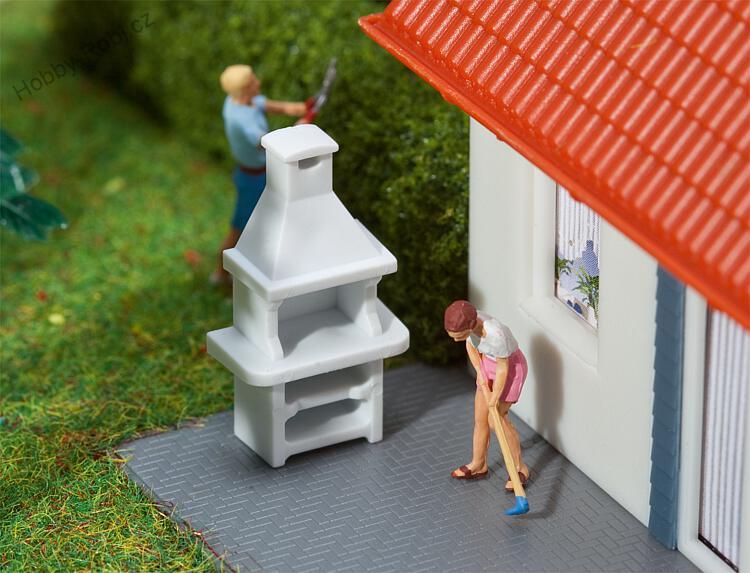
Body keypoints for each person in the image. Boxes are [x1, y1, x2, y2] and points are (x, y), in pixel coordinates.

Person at [211, 64, 309, 284]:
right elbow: (270, 145)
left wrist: (301, 108)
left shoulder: (237, 101)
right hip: (253, 179)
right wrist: (300, 127)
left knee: (263, 223)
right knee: (242, 229)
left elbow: (272, 106)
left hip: (255, 173)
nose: (258, 82)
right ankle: (222, 275)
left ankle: (235, 272)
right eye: (253, 82)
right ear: (244, 91)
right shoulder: (244, 122)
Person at [444, 300, 529, 490]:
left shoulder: (496, 335)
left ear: (471, 326)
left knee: (496, 419)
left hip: (510, 369)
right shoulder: (470, 321)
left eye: (458, 336)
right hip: (488, 365)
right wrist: (480, 372)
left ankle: (519, 468)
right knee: (480, 418)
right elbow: (470, 346)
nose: (456, 340)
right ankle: (478, 464)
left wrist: (494, 397)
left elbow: (503, 369)